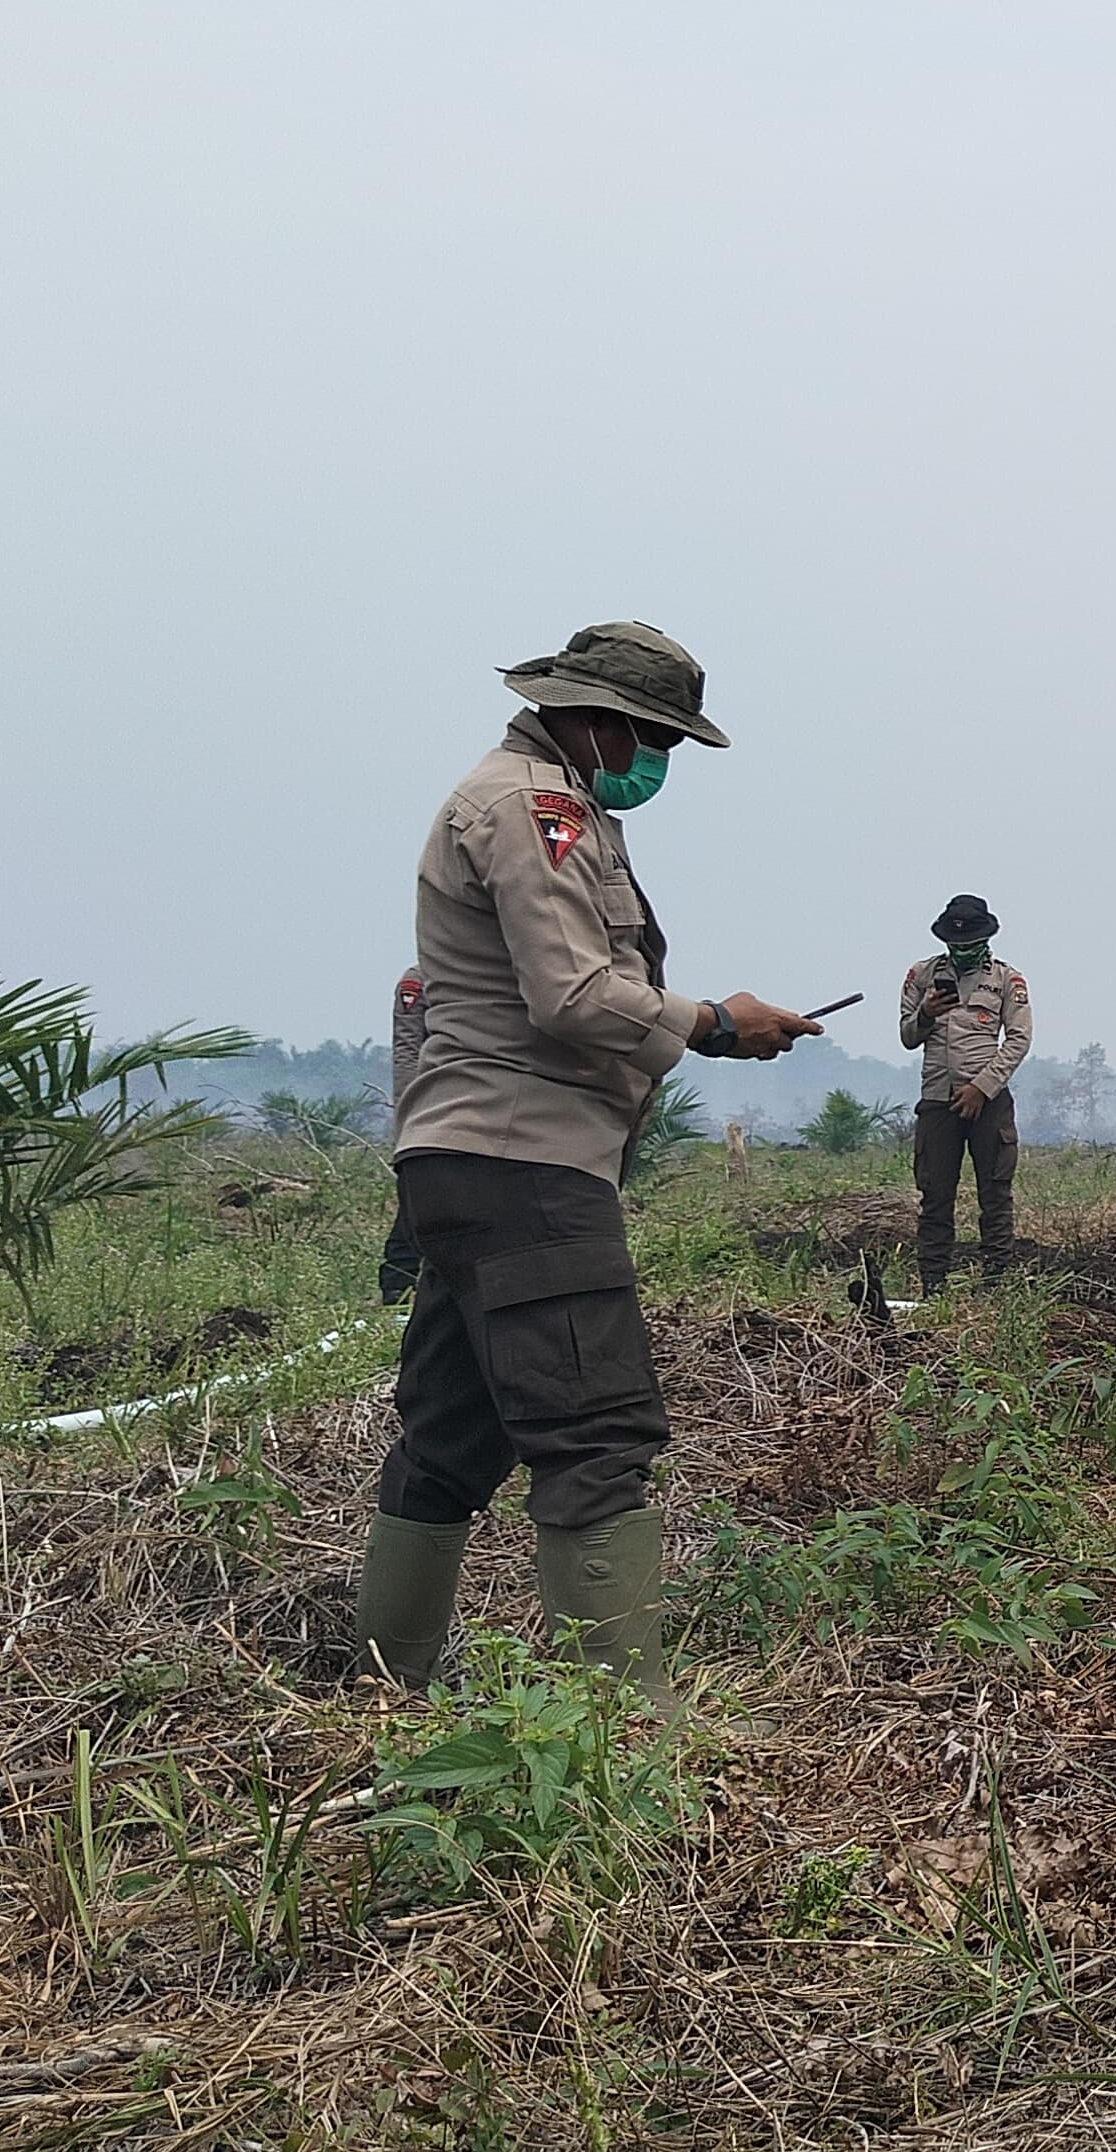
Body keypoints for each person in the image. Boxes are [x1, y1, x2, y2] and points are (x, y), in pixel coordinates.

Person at [352, 622, 817, 1693]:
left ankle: (384, 1685)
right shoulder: (536, 806)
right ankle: (625, 1728)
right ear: (599, 719)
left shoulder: (540, 802)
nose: (660, 766)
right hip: (526, 1162)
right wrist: (713, 1021)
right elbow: (570, 996)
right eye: (657, 740)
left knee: (451, 1436)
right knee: (595, 1434)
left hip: (469, 1158)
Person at [896, 895, 1031, 1292]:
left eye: (971, 943)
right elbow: (906, 1036)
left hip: (988, 1101)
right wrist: (926, 1013)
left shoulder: (1007, 980)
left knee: (995, 1195)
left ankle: (997, 1284)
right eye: (956, 944)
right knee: (935, 1197)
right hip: (938, 1099)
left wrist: (981, 1088)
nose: (963, 950)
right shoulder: (921, 976)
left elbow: (1018, 1040)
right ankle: (933, 1285)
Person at [376, 966, 430, 1300]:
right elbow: (408, 1051)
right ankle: (397, 1285)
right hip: (432, 1109)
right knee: (416, 1203)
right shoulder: (420, 979)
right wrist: (412, 1116)